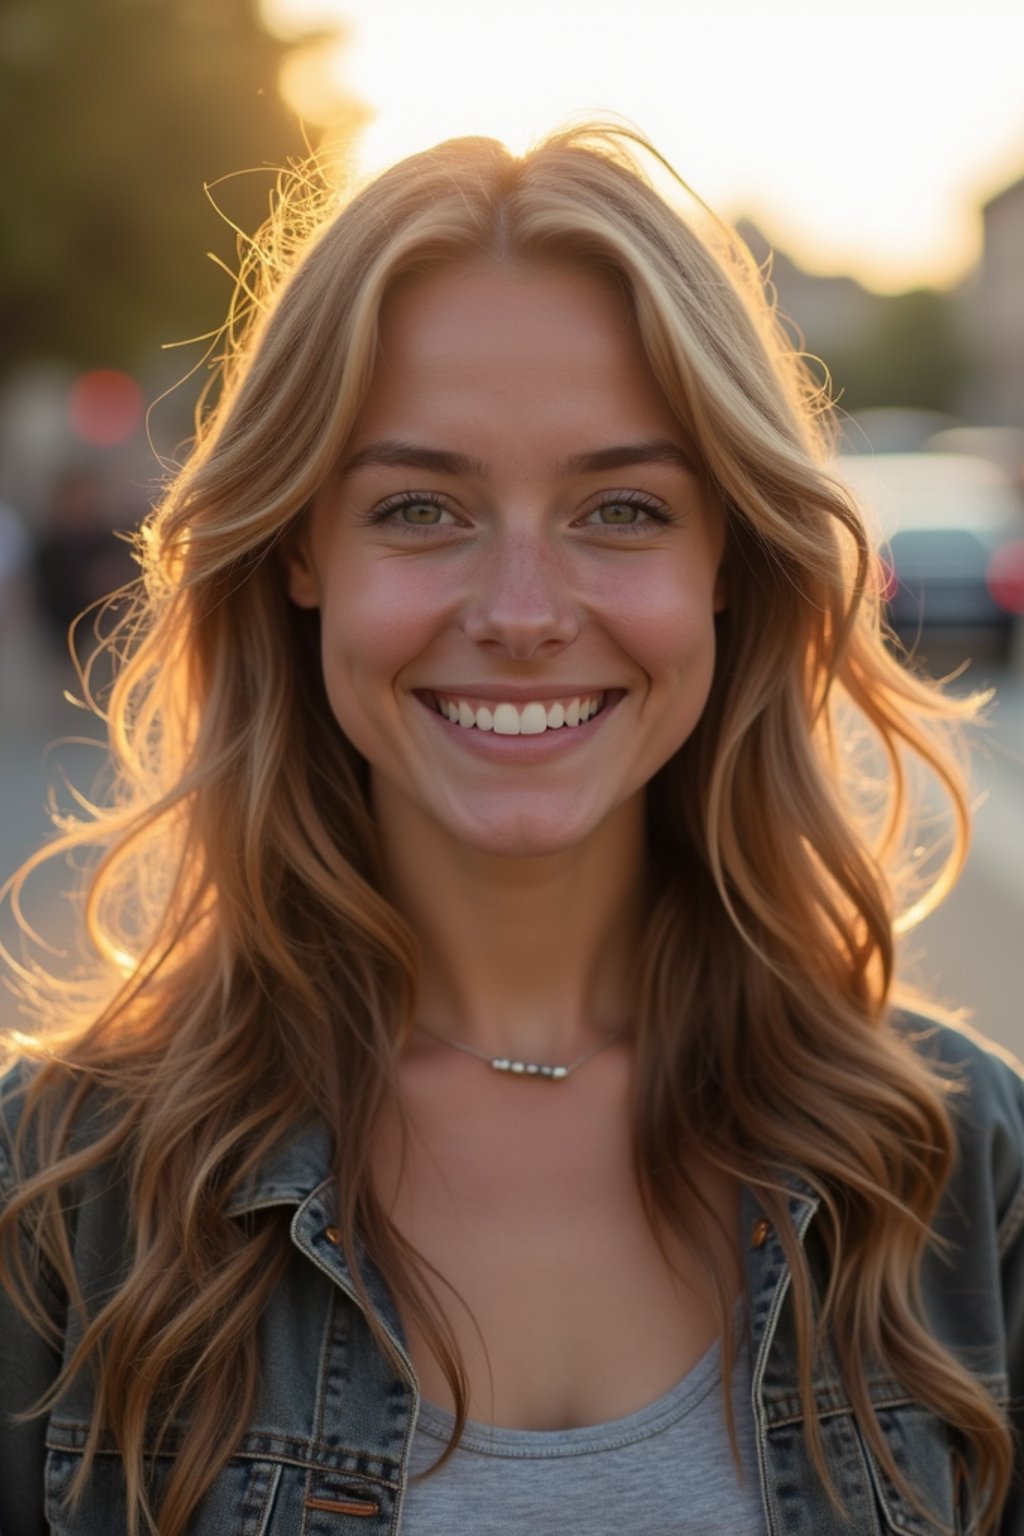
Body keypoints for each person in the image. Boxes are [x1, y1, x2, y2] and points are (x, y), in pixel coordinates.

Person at [1, 124, 1021, 1536]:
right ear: (301, 550)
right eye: (421, 508)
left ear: (727, 559)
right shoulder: (58, 1200)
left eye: (622, 508)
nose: (526, 613)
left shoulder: (964, 1163)